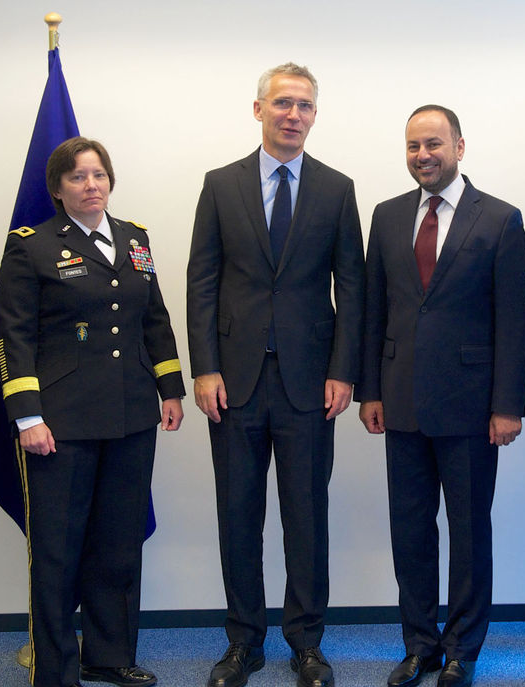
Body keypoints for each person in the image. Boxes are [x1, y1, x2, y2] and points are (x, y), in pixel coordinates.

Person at [186, 62, 365, 687]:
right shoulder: (220, 184)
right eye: (283, 103)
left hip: (310, 385)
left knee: (306, 514)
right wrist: (203, 369)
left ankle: (306, 643)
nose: (294, 115)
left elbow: (355, 289)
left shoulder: (337, 189)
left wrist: (344, 371)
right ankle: (243, 641)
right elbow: (201, 282)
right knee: (237, 514)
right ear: (257, 109)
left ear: (315, 115)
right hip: (233, 384)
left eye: (306, 106)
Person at [0, 137, 185, 687]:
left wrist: (169, 388)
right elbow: (13, 334)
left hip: (131, 416)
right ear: (57, 188)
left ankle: (110, 655)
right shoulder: (31, 247)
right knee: (57, 550)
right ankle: (54, 670)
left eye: (98, 174)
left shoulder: (134, 239)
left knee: (119, 543)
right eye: (77, 177)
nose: (91, 185)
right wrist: (27, 416)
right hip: (61, 422)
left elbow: (155, 318)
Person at [357, 105, 525, 687]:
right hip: (400, 401)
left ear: (459, 145)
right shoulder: (385, 217)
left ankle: (462, 649)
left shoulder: (500, 220)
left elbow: (515, 322)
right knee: (409, 529)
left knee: (468, 529)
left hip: (472, 406)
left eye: (433, 143)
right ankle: (420, 645)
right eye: (412, 146)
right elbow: (373, 311)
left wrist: (508, 405)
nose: (422, 155)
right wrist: (370, 391)